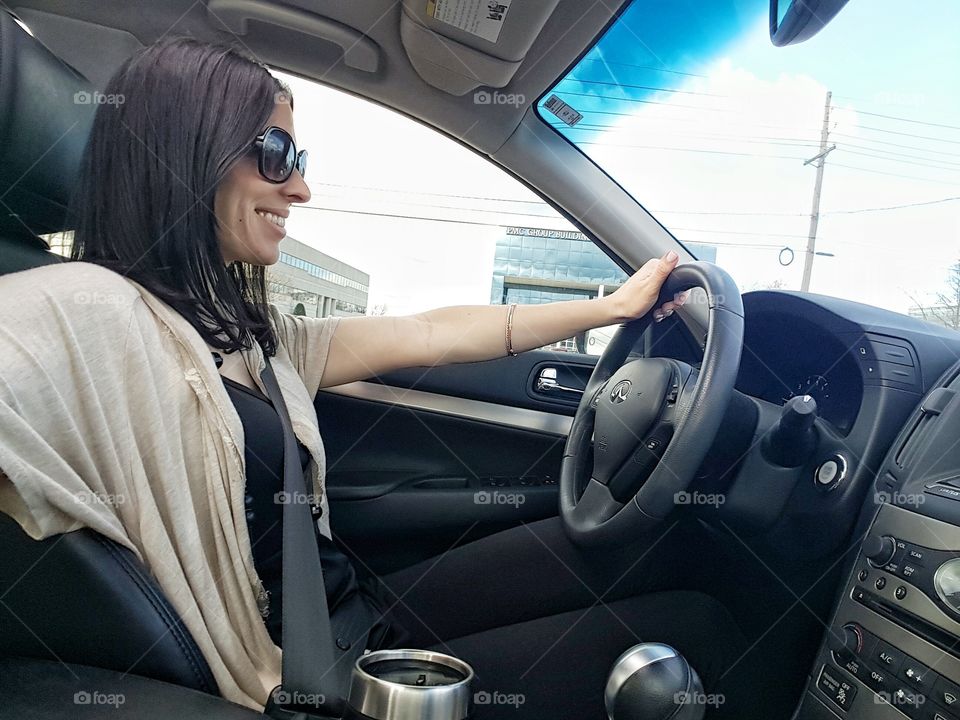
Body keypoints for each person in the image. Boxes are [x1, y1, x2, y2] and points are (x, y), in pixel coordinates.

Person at [0, 39, 750, 720]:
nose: (299, 190)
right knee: (695, 629)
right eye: (274, 153)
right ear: (184, 149)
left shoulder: (257, 339)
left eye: (300, 162)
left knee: (663, 558)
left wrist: (613, 306)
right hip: (304, 678)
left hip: (349, 612)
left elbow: (431, 332)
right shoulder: (92, 308)